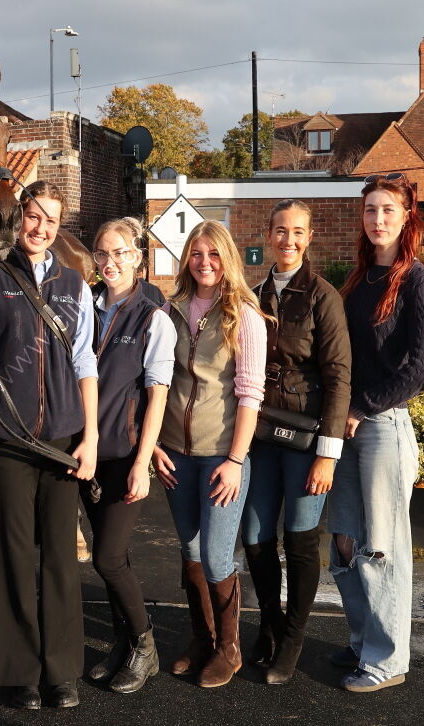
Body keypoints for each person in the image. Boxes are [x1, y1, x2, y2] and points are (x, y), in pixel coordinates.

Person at [0, 180, 98, 710]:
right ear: (21, 218)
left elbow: (85, 365)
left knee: (59, 557)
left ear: (58, 227)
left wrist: (91, 438)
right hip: (7, 438)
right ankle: (18, 672)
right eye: (34, 216)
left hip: (59, 439)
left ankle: (60, 671)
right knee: (11, 556)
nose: (41, 227)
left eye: (51, 220)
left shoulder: (75, 284)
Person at [329, 173, 424, 693]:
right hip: (349, 422)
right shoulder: (356, 279)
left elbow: (421, 370)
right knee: (347, 544)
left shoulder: (418, 280)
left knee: (382, 548)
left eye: (388, 211)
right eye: (371, 210)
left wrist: (362, 407)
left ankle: (388, 660)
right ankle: (362, 640)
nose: (378, 219)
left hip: (383, 426)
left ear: (406, 217)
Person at [152, 220, 268, 689]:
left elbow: (249, 394)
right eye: (197, 254)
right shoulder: (170, 309)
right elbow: (155, 379)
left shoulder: (244, 316)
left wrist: (236, 460)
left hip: (222, 456)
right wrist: (155, 443)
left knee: (219, 557)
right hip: (176, 454)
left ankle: (229, 648)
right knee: (192, 552)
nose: (205, 263)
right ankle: (201, 640)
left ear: (228, 259)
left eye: (214, 255)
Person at [243, 200, 351, 685]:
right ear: (268, 234)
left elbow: (338, 376)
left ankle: (293, 638)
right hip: (262, 435)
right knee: (255, 538)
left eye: (299, 233)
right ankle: (268, 623)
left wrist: (328, 453)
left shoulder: (324, 296)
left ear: (309, 239)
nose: (289, 240)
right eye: (281, 231)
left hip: (307, 440)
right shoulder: (252, 293)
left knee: (300, 542)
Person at [83, 217, 176, 694]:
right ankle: (122, 643)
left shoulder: (152, 318)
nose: (110, 262)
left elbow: (156, 395)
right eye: (102, 253)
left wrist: (142, 462)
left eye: (120, 252)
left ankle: (145, 646)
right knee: (111, 558)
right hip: (86, 456)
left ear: (138, 258)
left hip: (123, 457)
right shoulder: (86, 307)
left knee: (108, 558)